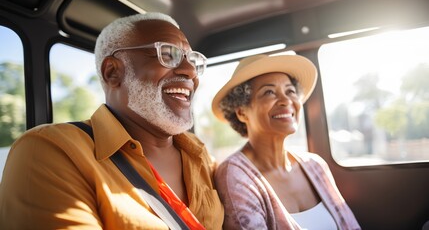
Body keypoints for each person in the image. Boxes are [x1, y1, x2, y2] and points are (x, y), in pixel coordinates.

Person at [0, 12, 223, 229]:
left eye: (193, 60)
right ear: (113, 72)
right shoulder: (49, 151)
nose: (189, 71)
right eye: (168, 54)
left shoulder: (201, 155)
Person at [212, 54, 360, 229]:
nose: (286, 100)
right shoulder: (235, 176)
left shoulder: (315, 165)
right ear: (242, 112)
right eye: (269, 92)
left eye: (290, 91)